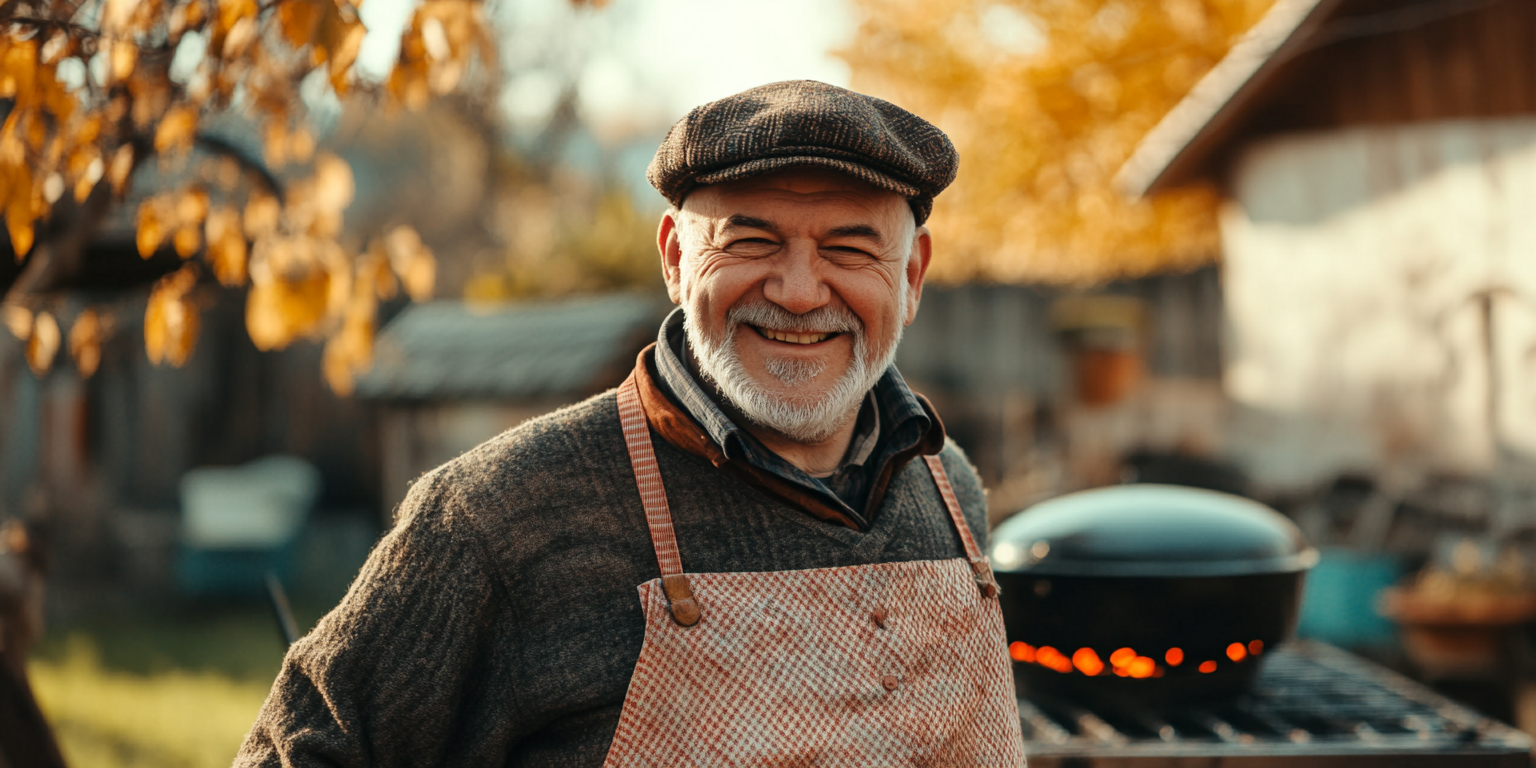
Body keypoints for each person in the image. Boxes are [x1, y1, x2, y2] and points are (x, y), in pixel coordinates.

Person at [235, 80, 1027, 767]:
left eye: (850, 248)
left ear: (913, 274)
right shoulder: (502, 517)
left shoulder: (947, 488)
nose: (795, 289)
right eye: (750, 239)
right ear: (676, 259)